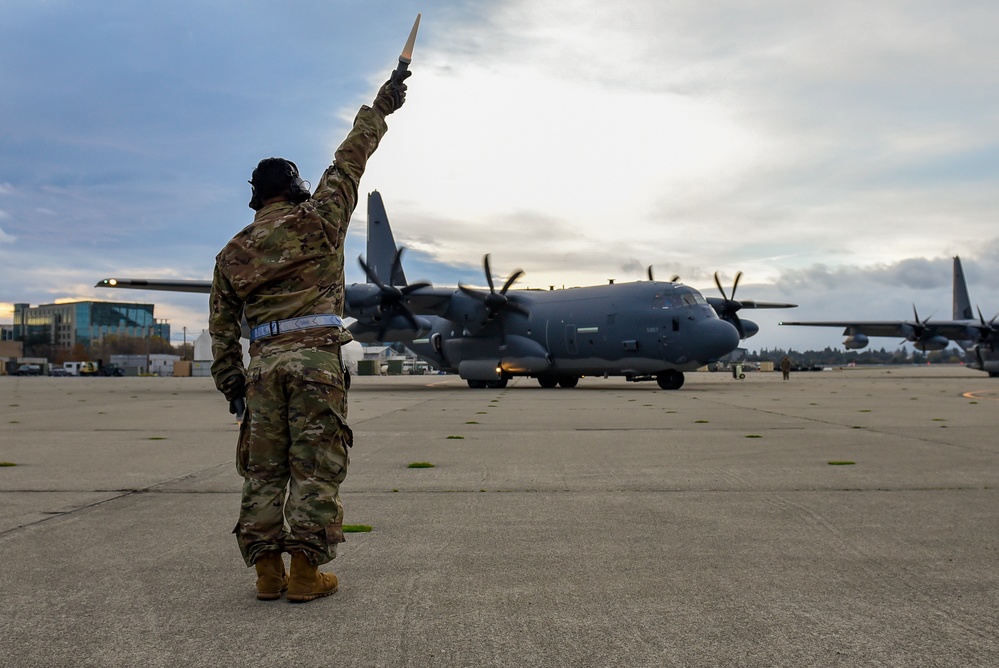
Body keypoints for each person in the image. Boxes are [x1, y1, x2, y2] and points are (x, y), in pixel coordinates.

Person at [209, 70, 411, 602]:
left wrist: (233, 383)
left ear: (256, 198)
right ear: (296, 188)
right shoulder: (321, 217)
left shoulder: (232, 252)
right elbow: (351, 155)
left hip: (263, 368)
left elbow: (222, 329)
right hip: (315, 365)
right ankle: (305, 573)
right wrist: (384, 102)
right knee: (315, 467)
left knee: (262, 472)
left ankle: (266, 574)